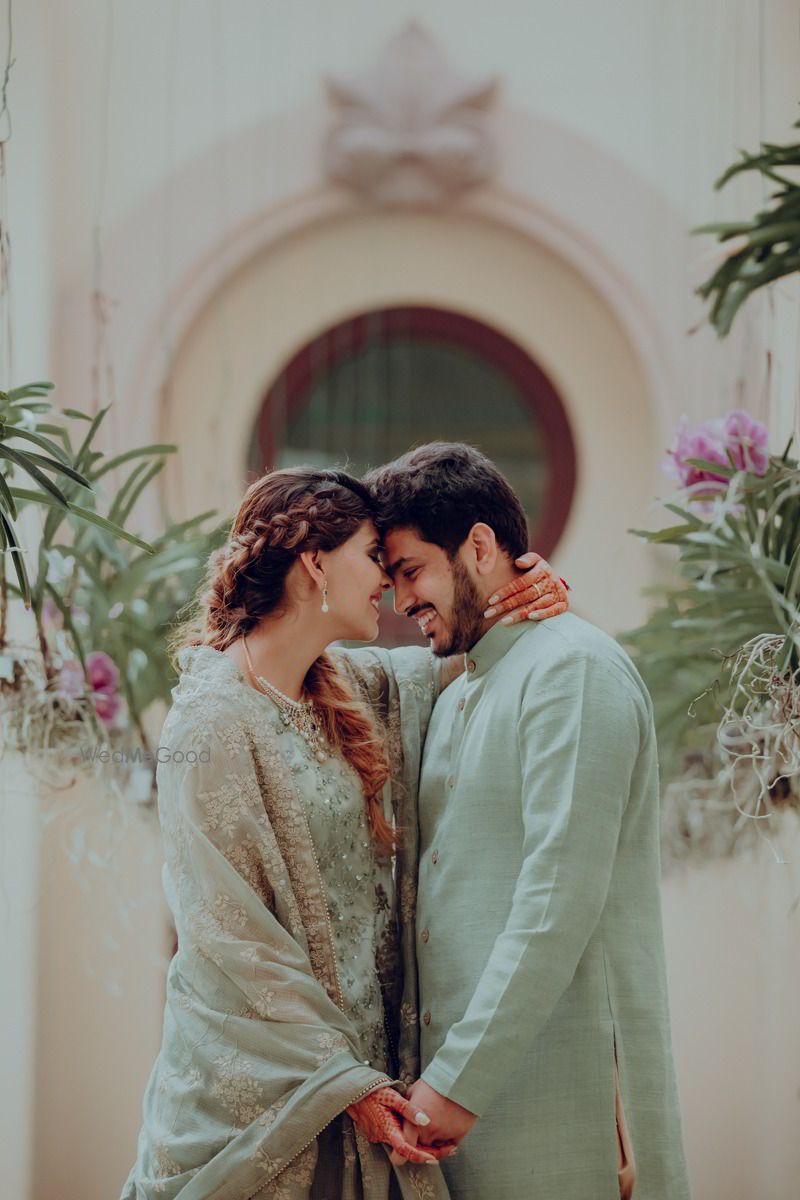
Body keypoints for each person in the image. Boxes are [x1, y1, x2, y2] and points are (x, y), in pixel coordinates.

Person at [120, 465, 567, 1199]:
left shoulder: (348, 689)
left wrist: (523, 592)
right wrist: (343, 1080)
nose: (388, 588)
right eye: (373, 559)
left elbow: (462, 660)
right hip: (266, 1097)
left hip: (368, 1073)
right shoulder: (209, 722)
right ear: (313, 562)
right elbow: (229, 933)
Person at [365, 443, 692, 1200]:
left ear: (480, 546)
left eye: (411, 571)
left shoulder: (571, 670)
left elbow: (557, 901)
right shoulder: (462, 686)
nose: (399, 600)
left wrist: (459, 1082)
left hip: (554, 1106)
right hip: (456, 1112)